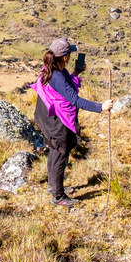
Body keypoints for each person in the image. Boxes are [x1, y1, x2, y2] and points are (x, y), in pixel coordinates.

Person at [31, 38, 113, 208]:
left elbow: (64, 90)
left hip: (47, 117)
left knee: (54, 153)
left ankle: (53, 187)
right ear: (66, 57)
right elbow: (74, 100)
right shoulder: (58, 76)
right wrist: (101, 107)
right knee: (60, 155)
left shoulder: (53, 69)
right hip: (57, 122)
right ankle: (58, 196)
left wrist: (75, 72)